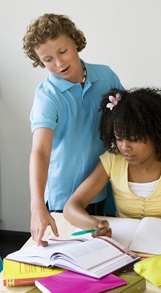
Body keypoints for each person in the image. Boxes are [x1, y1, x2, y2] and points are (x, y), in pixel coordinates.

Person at [23, 13, 123, 246]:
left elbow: (124, 119)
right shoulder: (47, 97)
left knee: (103, 251)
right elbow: (40, 151)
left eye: (63, 52)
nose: (58, 63)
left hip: (101, 187)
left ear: (75, 42)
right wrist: (37, 205)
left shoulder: (105, 75)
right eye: (47, 59)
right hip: (62, 196)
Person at [63, 87, 161, 255]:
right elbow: (71, 207)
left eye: (134, 140)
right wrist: (94, 226)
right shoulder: (112, 160)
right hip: (123, 251)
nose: (124, 147)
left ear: (156, 135)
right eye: (119, 138)